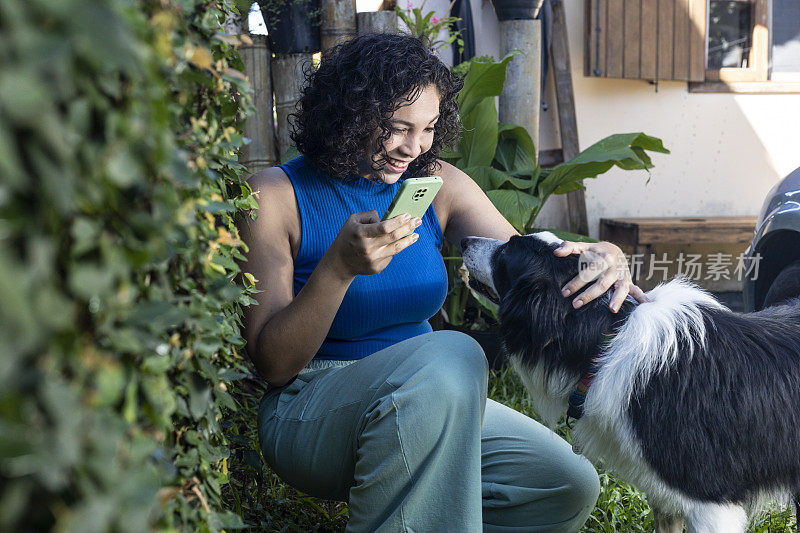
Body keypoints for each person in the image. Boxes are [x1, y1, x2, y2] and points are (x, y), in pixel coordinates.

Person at [239, 33, 648, 532]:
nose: (414, 148)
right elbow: (274, 365)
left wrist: (605, 256)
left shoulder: (437, 186)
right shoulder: (274, 197)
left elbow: (528, 258)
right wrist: (337, 270)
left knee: (563, 485)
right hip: (312, 408)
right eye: (397, 128)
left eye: (429, 128)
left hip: (434, 397)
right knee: (453, 352)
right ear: (348, 115)